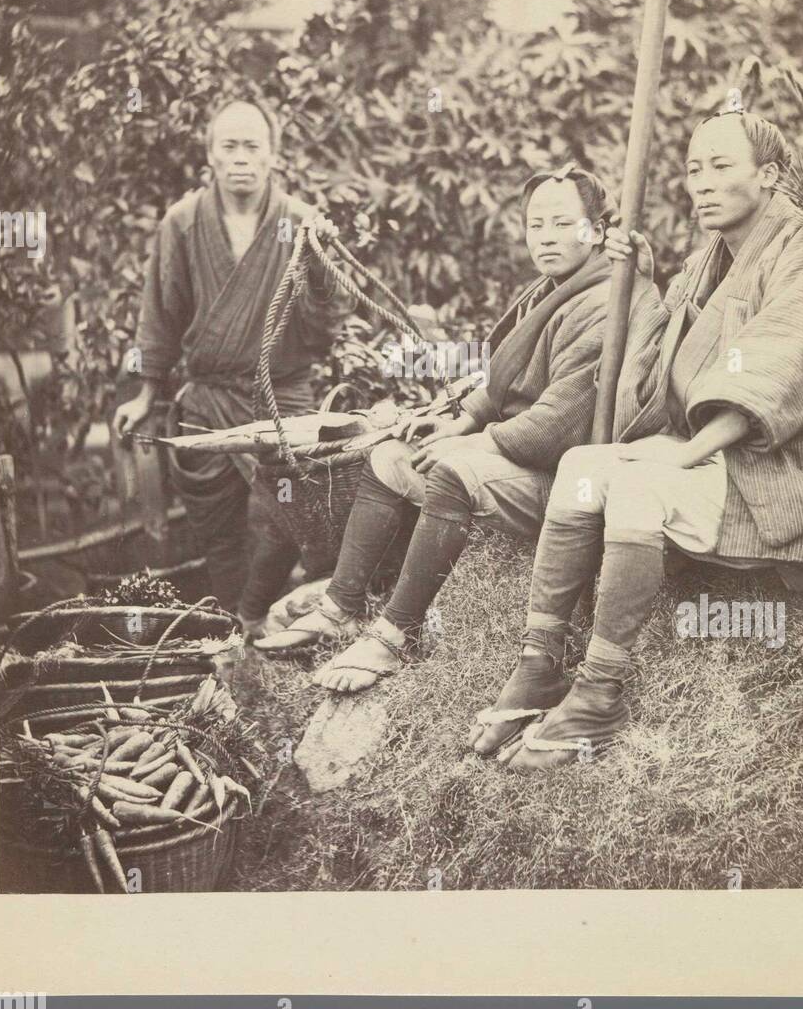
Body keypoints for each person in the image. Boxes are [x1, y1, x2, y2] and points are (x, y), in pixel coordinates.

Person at [469, 109, 803, 772]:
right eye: (692, 169)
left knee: (636, 480)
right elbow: (660, 371)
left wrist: (684, 452)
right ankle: (537, 667)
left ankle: (600, 694)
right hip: (723, 452)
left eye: (720, 166)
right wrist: (648, 282)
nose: (701, 183)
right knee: (579, 464)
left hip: (783, 466)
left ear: (769, 175)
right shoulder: (709, 258)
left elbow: (782, 366)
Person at [254, 164, 617, 696]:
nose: (546, 237)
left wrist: (469, 440)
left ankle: (396, 633)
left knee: (449, 467)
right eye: (536, 225)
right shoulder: (551, 290)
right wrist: (458, 419)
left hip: (562, 477)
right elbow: (499, 384)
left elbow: (557, 427)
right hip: (516, 452)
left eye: (563, 224)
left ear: (599, 231)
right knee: (392, 457)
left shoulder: (606, 303)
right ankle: (342, 605)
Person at [112, 97, 348, 631]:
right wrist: (147, 393)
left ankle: (260, 612)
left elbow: (324, 326)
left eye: (253, 146)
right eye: (229, 146)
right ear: (211, 156)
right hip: (209, 395)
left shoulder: (298, 222)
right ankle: (233, 630)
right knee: (216, 527)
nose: (241, 157)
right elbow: (160, 311)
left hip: (282, 394)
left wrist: (322, 269)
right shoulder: (182, 223)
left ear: (272, 156)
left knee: (290, 514)